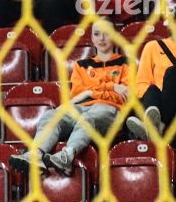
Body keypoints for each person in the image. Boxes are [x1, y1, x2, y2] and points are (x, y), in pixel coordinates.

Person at [11, 20, 129, 176]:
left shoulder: (126, 64)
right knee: (51, 115)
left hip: (108, 110)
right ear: (92, 38)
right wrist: (112, 87)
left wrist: (91, 92)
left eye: (106, 34)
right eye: (96, 34)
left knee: (89, 117)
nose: (101, 38)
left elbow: (123, 97)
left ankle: (67, 156)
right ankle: (36, 155)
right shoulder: (81, 65)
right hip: (81, 107)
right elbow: (78, 94)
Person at [127, 5, 176, 140]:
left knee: (173, 72)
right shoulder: (152, 47)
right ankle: (155, 124)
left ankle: (154, 128)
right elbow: (141, 83)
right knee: (151, 89)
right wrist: (160, 98)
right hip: (159, 104)